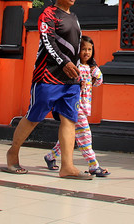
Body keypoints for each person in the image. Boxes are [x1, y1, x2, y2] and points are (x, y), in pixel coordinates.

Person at [3, 0, 91, 179]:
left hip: (71, 80)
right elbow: (48, 41)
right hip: (48, 77)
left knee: (69, 120)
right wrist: (64, 63)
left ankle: (67, 167)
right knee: (34, 117)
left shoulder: (74, 17)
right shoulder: (48, 14)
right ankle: (13, 153)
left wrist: (82, 68)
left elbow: (76, 47)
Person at [44, 36, 108, 177]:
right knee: (85, 136)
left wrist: (95, 72)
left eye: (89, 49)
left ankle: (50, 156)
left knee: (69, 136)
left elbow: (98, 81)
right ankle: (93, 165)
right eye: (83, 49)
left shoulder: (91, 68)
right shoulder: (75, 66)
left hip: (84, 107)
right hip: (74, 105)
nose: (86, 52)